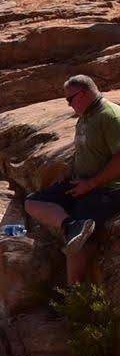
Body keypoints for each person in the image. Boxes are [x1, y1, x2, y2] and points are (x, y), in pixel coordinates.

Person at [24, 76, 120, 285]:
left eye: (70, 99)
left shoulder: (110, 116)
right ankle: (72, 225)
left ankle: (75, 299)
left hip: (108, 189)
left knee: (78, 244)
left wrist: (92, 183)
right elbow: (85, 153)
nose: (68, 104)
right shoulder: (84, 118)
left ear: (84, 93)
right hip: (82, 183)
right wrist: (68, 173)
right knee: (33, 202)